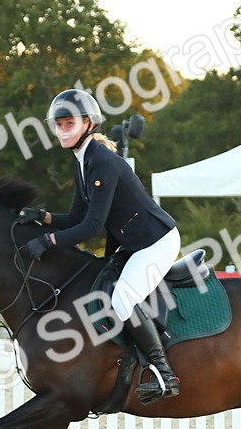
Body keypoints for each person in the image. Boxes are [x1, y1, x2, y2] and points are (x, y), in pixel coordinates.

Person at [16, 89, 182, 402]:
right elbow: (78, 216)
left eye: (69, 123)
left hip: (155, 241)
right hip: (133, 243)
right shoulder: (83, 160)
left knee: (123, 300)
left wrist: (48, 241)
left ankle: (164, 374)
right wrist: (42, 217)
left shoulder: (102, 162)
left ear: (89, 123)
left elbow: (92, 227)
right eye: (59, 124)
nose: (63, 129)